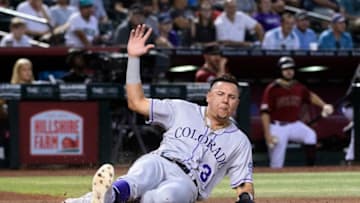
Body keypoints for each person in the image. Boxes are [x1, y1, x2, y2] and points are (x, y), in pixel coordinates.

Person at [64, 24, 255, 203]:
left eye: (231, 97)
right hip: (160, 160)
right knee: (141, 174)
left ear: (237, 103)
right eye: (220, 94)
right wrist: (133, 59)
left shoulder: (239, 141)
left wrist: (246, 198)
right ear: (208, 96)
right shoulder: (182, 108)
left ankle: (97, 199)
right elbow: (136, 102)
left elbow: (244, 184)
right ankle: (107, 196)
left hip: (188, 183)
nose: (225, 100)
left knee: (164, 197)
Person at [260, 56, 334, 168]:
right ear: (280, 70)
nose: (289, 71)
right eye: (286, 69)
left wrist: (324, 105)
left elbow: (310, 96)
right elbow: (265, 113)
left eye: (291, 69)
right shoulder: (272, 88)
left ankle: (310, 169)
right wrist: (267, 134)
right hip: (277, 126)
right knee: (276, 163)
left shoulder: (298, 86)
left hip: (294, 124)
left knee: (310, 135)